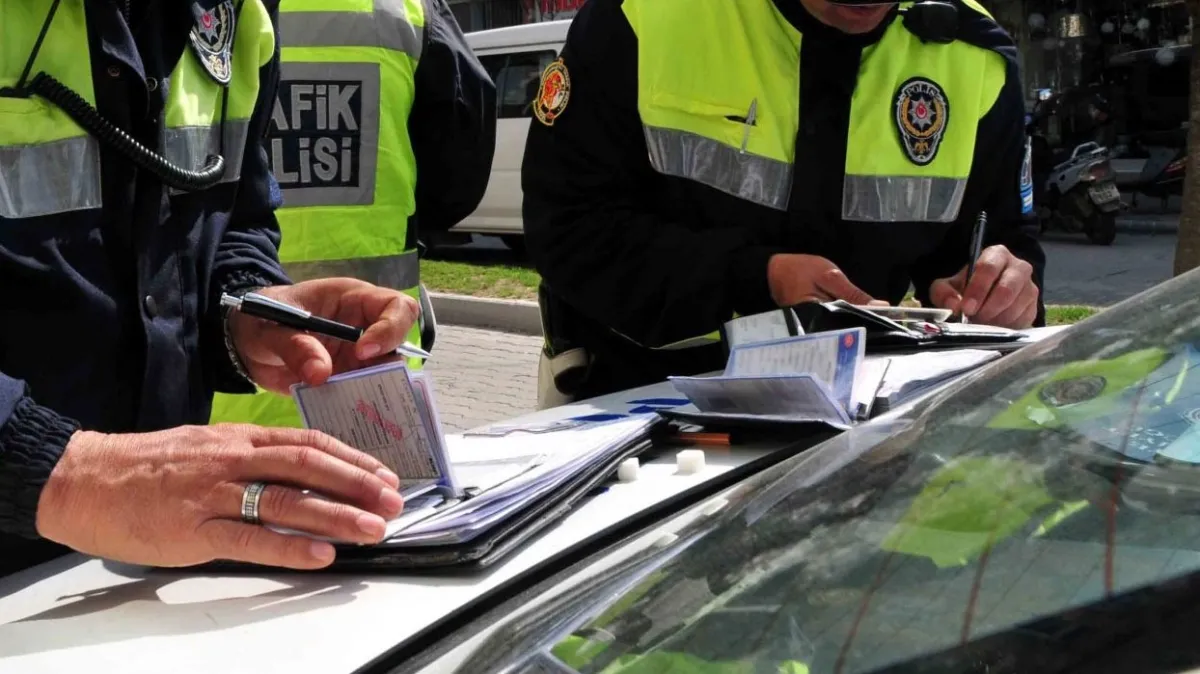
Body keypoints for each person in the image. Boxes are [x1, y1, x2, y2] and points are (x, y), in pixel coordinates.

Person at [0, 0, 419, 576]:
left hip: (157, 559)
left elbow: (235, 215)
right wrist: (65, 475)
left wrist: (247, 307)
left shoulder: (240, 12)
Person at [523, 0, 1049, 406]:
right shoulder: (644, 16)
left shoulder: (973, 56)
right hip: (644, 417)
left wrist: (1001, 289)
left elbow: (995, 238)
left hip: (854, 437)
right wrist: (755, 281)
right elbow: (567, 228)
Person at [207, 0, 497, 428]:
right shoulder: (408, 9)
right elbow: (459, 175)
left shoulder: (185, 15)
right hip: (370, 387)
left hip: (217, 400)